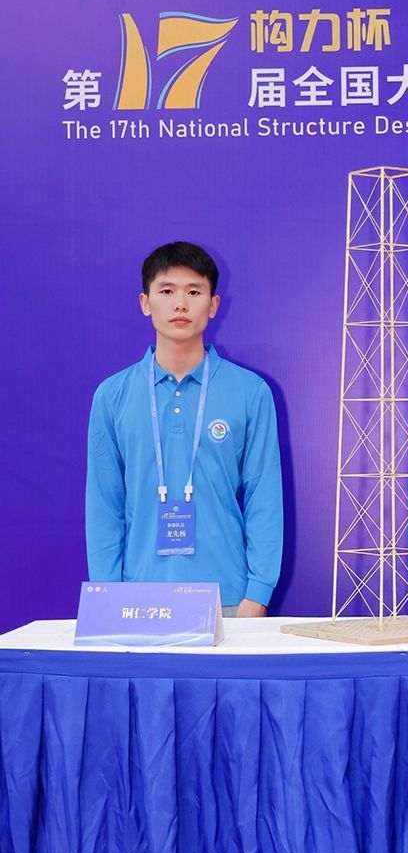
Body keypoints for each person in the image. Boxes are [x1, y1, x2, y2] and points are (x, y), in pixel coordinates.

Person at [86, 241, 282, 616]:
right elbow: (103, 503)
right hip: (136, 601)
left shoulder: (250, 392)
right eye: (166, 291)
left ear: (213, 304)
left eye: (194, 292)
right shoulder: (112, 396)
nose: (180, 304)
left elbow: (264, 497)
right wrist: (107, 594)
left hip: (228, 598)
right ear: (145, 302)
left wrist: (257, 594)